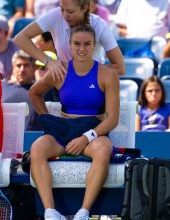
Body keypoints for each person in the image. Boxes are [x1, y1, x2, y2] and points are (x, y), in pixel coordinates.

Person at [28, 24, 119, 220]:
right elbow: (34, 93)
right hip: (64, 132)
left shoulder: (108, 74)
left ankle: (83, 213)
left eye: (87, 44)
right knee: (37, 149)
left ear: (95, 45)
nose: (81, 48)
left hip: (93, 132)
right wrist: (46, 119)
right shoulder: (59, 71)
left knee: (104, 151)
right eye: (77, 43)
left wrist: (86, 138)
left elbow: (112, 119)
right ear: (69, 45)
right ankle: (51, 212)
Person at [14, 0, 126, 79]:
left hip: (95, 85)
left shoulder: (100, 25)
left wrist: (85, 70)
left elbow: (120, 68)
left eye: (70, 11)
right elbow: (20, 38)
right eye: (62, 9)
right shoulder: (56, 15)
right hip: (62, 83)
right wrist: (49, 62)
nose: (65, 15)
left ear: (85, 7)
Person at [2, 50, 41, 131]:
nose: (22, 69)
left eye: (26, 65)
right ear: (13, 68)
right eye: (18, 66)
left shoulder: (41, 90)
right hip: (6, 137)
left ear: (33, 67)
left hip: (34, 139)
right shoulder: (2, 87)